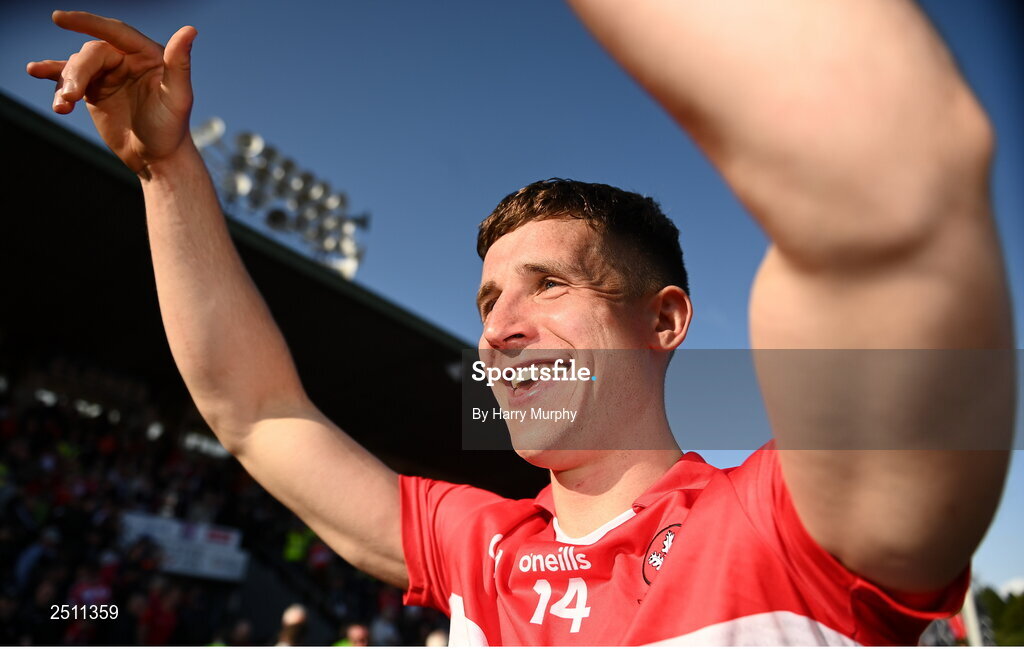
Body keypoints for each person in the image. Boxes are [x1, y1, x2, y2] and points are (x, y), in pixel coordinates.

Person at [27, 1, 1014, 645]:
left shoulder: (800, 525)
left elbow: (894, 183)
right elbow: (255, 412)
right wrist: (164, 171)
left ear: (665, 318)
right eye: (488, 301)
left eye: (545, 285)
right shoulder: (475, 544)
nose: (497, 330)